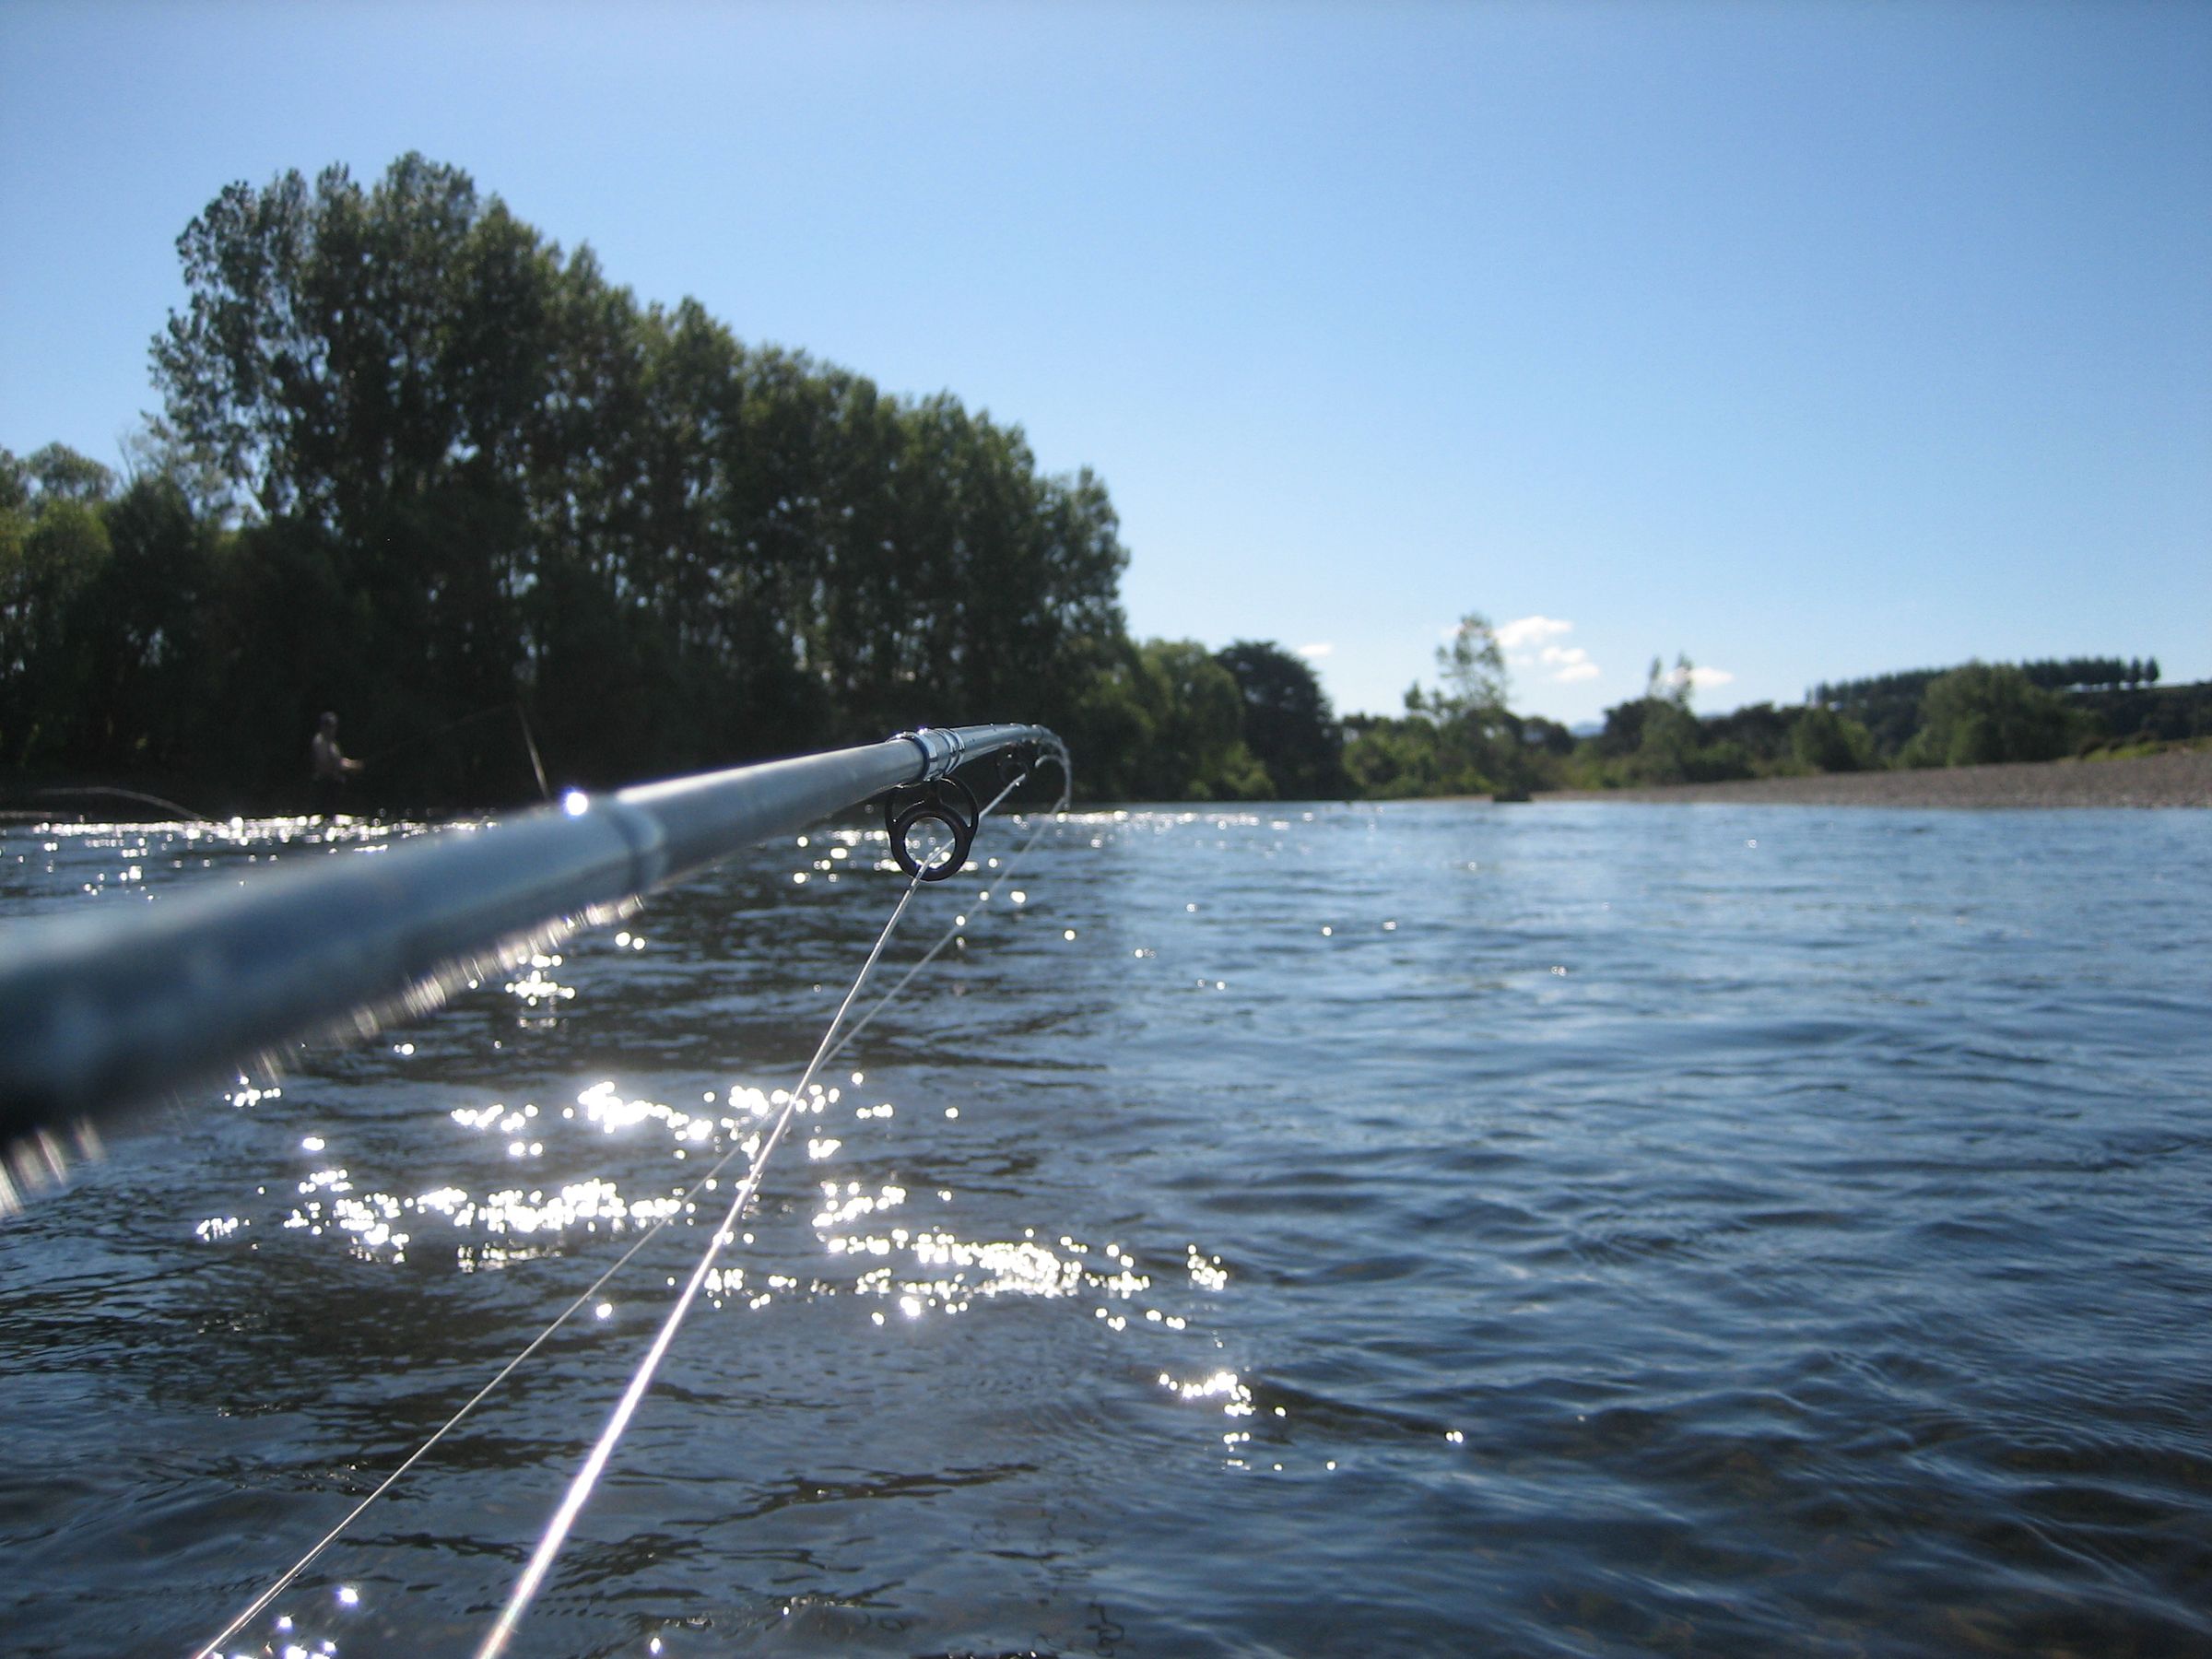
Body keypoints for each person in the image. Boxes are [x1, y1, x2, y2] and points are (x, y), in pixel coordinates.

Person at [310, 712, 363, 811]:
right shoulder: (320, 742)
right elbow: (330, 763)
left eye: (333, 726)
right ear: (323, 727)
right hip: (324, 785)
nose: (332, 729)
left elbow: (339, 760)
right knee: (325, 812)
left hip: (333, 784)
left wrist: (353, 764)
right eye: (329, 726)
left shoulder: (332, 744)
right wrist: (352, 766)